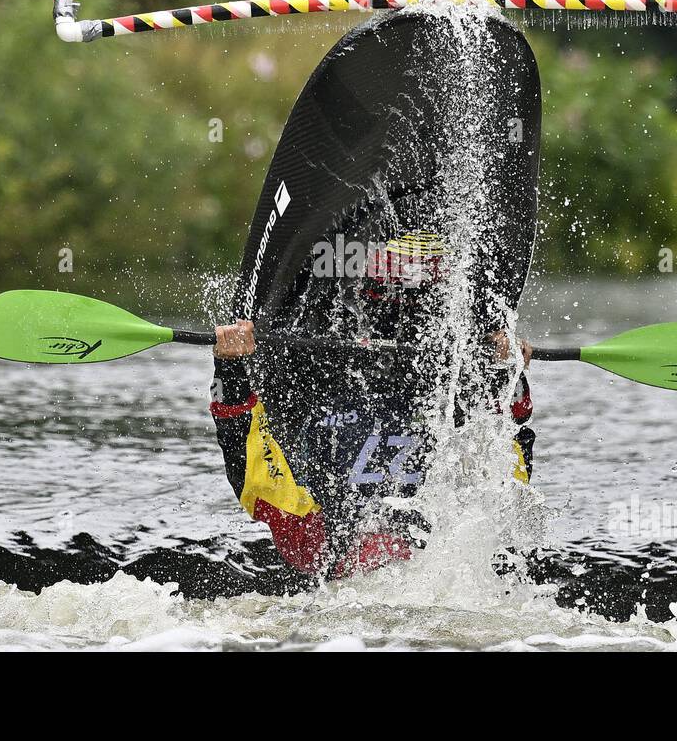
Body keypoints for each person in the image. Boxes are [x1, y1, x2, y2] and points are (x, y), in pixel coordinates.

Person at [208, 231, 535, 578]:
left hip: (398, 557)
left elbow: (238, 434)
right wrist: (505, 370)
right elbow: (511, 450)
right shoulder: (307, 530)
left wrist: (505, 364)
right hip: (352, 563)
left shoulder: (305, 535)